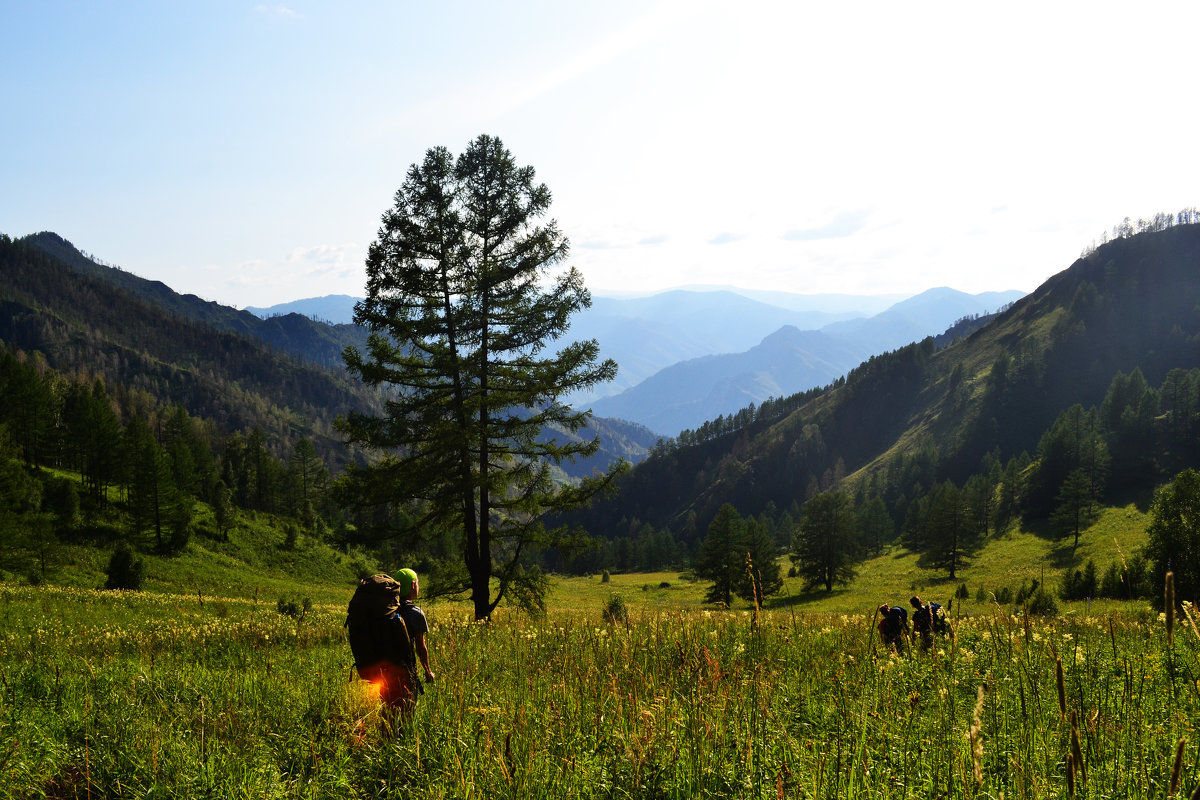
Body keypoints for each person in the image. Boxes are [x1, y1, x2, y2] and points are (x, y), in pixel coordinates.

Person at [352, 569, 435, 717]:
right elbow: (421, 648)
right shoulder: (416, 613)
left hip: (384, 673)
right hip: (406, 673)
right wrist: (428, 672)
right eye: (417, 582)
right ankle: (402, 739)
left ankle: (387, 738)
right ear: (413, 585)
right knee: (408, 717)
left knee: (388, 713)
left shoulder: (384, 609)